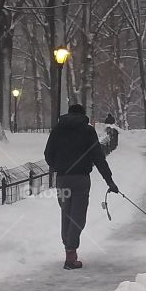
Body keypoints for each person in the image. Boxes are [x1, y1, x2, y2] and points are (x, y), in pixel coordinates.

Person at [44, 102, 119, 269]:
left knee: (66, 214)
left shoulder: (57, 130)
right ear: (82, 114)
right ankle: (71, 255)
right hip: (81, 180)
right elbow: (98, 157)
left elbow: (48, 154)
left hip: (63, 179)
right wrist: (109, 181)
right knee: (78, 216)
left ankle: (69, 250)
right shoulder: (87, 131)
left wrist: (59, 167)